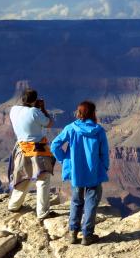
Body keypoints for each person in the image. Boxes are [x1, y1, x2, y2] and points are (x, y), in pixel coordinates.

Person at [51, 101, 109, 246]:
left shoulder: (70, 128)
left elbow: (54, 145)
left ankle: (72, 233)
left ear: (79, 113)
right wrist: (104, 168)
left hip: (76, 172)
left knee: (76, 201)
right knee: (91, 203)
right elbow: (104, 154)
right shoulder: (99, 130)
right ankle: (87, 235)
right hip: (94, 172)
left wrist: (64, 159)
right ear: (93, 113)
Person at [8, 88, 54, 219]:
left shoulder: (13, 109)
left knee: (23, 176)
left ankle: (14, 205)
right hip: (37, 149)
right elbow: (49, 123)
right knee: (43, 179)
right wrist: (43, 109)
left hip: (21, 148)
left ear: (22, 98)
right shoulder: (35, 112)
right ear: (35, 100)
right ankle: (42, 212)